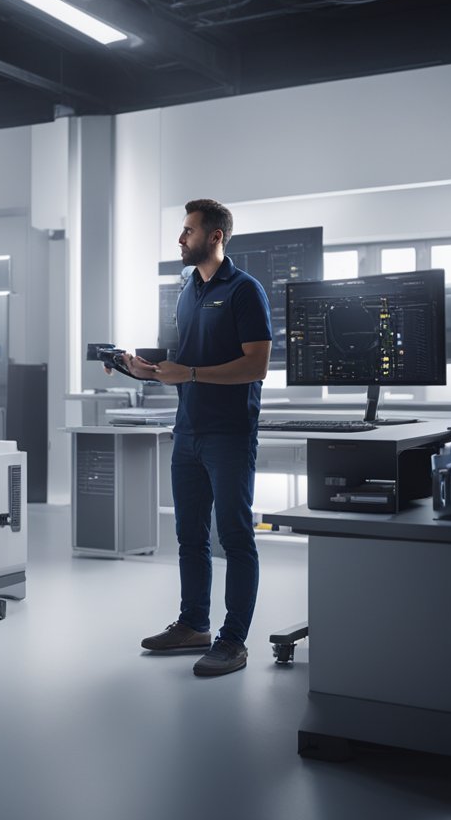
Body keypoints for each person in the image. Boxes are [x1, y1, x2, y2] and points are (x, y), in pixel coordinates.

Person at [125, 199, 271, 677]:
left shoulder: (246, 291)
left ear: (215, 237)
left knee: (234, 536)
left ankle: (233, 641)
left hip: (228, 434)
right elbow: (186, 364)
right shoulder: (188, 289)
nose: (180, 238)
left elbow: (256, 366)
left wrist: (187, 371)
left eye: (188, 231)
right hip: (186, 432)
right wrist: (148, 371)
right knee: (189, 536)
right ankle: (194, 625)